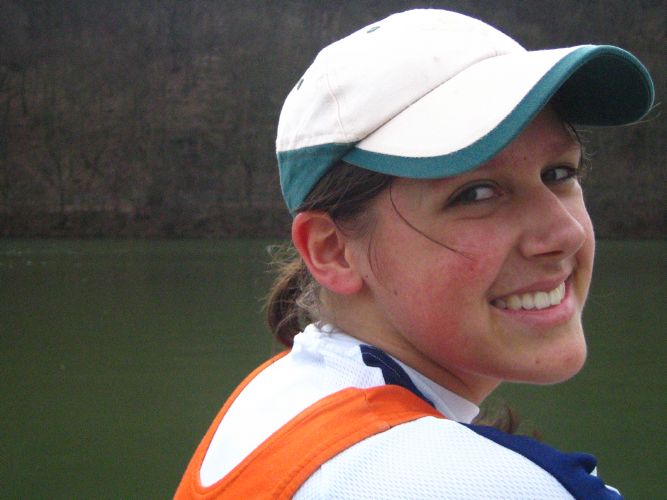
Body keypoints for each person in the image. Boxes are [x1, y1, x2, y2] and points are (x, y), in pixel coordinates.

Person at [175, 9, 654, 499]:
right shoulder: (485, 486)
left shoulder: (277, 402)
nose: (565, 233)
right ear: (333, 251)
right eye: (476, 194)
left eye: (559, 173)